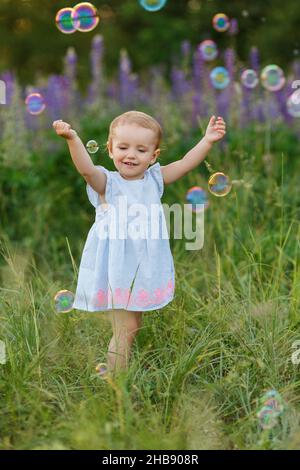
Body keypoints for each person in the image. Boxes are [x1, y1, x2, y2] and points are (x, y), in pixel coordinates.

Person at [53, 110, 226, 377]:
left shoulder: (154, 179)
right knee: (126, 329)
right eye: (123, 147)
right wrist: (72, 139)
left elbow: (185, 163)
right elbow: (86, 169)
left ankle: (120, 371)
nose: (131, 155)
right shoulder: (107, 182)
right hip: (118, 268)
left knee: (134, 322)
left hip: (143, 266)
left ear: (153, 156)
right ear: (110, 149)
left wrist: (207, 140)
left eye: (141, 149)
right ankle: (116, 382)